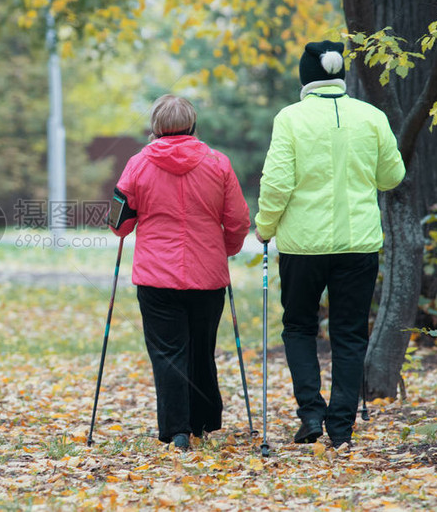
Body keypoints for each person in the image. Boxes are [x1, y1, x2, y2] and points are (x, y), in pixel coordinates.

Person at [254, 40, 405, 449]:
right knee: (350, 334)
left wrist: (264, 227)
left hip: (303, 246)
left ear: (306, 78)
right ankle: (342, 428)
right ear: (341, 76)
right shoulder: (371, 117)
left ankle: (310, 415)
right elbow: (392, 176)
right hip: (358, 247)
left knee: (299, 327)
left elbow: (277, 183)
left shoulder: (290, 119)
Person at [110, 94, 250, 450]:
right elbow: (237, 220)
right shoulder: (219, 163)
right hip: (207, 274)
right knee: (202, 348)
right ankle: (202, 422)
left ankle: (177, 431)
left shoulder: (138, 164)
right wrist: (227, 250)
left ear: (155, 127)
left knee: (167, 353)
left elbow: (118, 224)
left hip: (157, 277)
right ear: (192, 124)